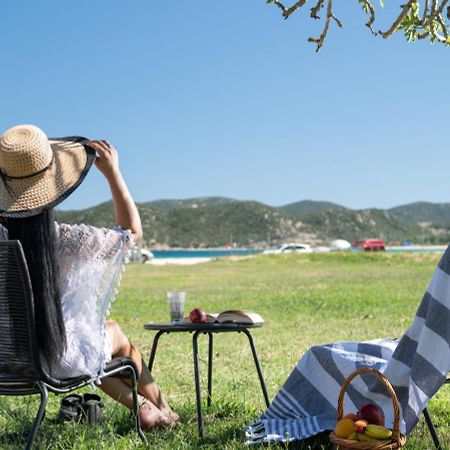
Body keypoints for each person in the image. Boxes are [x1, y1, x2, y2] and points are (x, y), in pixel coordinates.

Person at [0, 124, 179, 430]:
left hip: (6, 361)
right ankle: (164, 408)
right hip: (53, 361)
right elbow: (131, 234)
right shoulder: (64, 240)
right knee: (109, 335)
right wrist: (113, 174)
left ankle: (143, 406)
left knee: (89, 345)